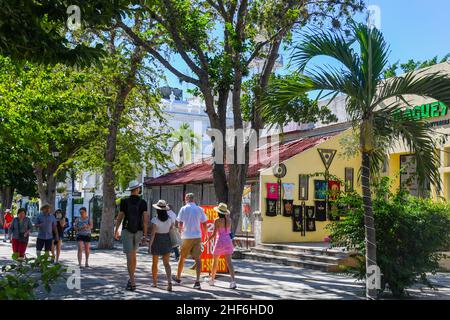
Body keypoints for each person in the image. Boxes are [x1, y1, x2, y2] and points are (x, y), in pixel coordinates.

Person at [114, 180, 148, 291]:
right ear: (137, 189)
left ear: (130, 190)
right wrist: (145, 234)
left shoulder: (124, 201)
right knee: (134, 256)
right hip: (138, 231)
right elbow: (145, 220)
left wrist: (116, 230)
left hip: (127, 230)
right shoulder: (143, 202)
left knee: (129, 257)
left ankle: (132, 281)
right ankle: (131, 279)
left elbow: (120, 217)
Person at [174, 193, 207, 290]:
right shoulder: (199, 209)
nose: (184, 199)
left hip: (186, 236)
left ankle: (178, 277)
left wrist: (180, 231)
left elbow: (180, 222)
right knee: (197, 258)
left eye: (185, 198)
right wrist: (204, 235)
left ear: (187, 199)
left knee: (182, 257)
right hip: (197, 236)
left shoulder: (183, 208)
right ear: (193, 199)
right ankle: (197, 281)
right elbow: (204, 222)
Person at [203, 203, 237, 289]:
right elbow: (229, 232)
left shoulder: (217, 220)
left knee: (215, 262)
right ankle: (233, 281)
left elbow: (214, 234)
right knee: (229, 263)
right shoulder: (229, 220)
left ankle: (212, 280)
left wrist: (207, 240)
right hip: (228, 242)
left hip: (219, 242)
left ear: (218, 212)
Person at [148, 200, 173, 291]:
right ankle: (169, 282)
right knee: (167, 263)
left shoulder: (155, 220)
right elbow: (171, 229)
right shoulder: (170, 219)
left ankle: (155, 283)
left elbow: (153, 234)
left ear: (157, 210)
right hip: (167, 239)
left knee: (155, 263)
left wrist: (150, 245)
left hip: (157, 240)